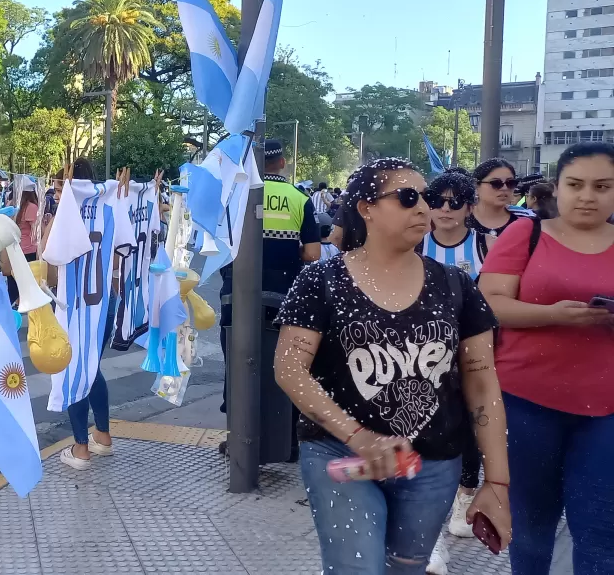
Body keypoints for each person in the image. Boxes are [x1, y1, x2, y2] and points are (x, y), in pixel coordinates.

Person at [273, 158, 512, 574]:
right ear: (366, 208)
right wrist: (359, 436)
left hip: (434, 460)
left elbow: (481, 380)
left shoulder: (455, 285)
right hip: (339, 452)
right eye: (407, 197)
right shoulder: (321, 281)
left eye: (429, 197)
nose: (425, 207)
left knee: (407, 568)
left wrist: (497, 481)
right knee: (357, 568)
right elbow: (290, 368)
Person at [478, 142, 614, 575]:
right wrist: (554, 316)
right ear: (558, 188)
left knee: (600, 531)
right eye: (576, 185)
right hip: (525, 404)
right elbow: (489, 302)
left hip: (606, 410)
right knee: (532, 528)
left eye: (602, 186)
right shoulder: (527, 233)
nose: (588, 196)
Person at [415, 171, 494, 573]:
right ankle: (431, 538)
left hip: (472, 355)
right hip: (418, 359)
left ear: (469, 206)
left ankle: (465, 492)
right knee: (427, 436)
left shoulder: (486, 245)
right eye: (438, 200)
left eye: (455, 201)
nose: (445, 209)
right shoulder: (414, 240)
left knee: (467, 430)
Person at [219, 139, 321, 415]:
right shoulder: (299, 198)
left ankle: (236, 413)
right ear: (282, 163)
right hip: (283, 285)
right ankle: (282, 420)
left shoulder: (237, 194)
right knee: (285, 354)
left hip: (237, 283)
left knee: (234, 346)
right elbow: (313, 253)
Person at [52, 158, 117, 470]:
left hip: (75, 303)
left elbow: (47, 256)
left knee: (74, 369)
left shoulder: (67, 212)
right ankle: (102, 436)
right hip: (104, 301)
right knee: (92, 367)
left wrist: (56, 211)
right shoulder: (110, 206)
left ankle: (81, 447)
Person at [468, 158, 536, 237]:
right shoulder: (460, 219)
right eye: (495, 183)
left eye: (510, 183)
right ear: (476, 186)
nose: (504, 188)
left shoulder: (528, 220)